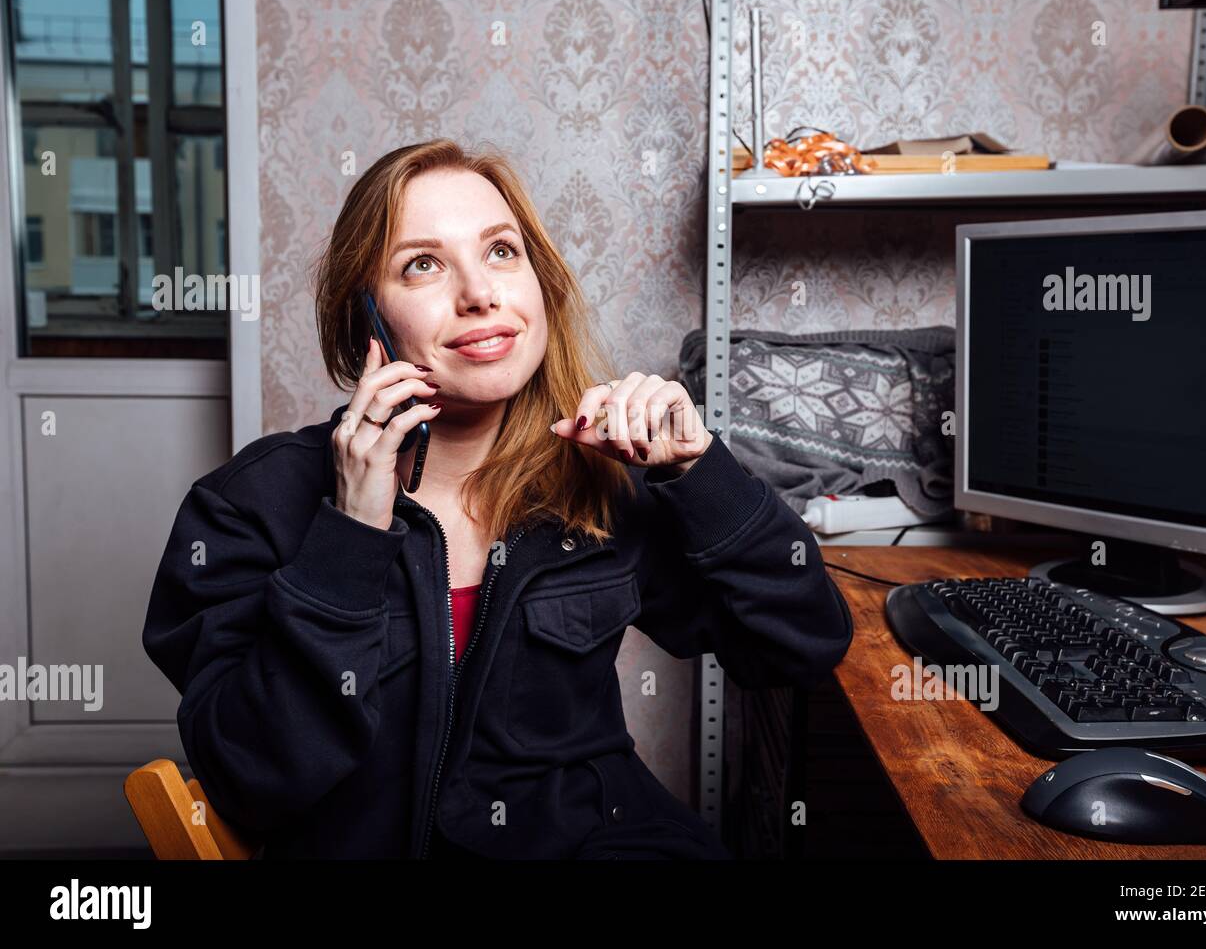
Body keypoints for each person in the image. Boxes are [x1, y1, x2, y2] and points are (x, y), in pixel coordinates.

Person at [141, 138, 855, 859]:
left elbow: (801, 647)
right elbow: (251, 779)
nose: (480, 293)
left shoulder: (605, 479)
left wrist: (702, 475)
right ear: (367, 319)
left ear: (539, 284)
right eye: (423, 264)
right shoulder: (247, 506)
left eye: (502, 253)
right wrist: (351, 532)